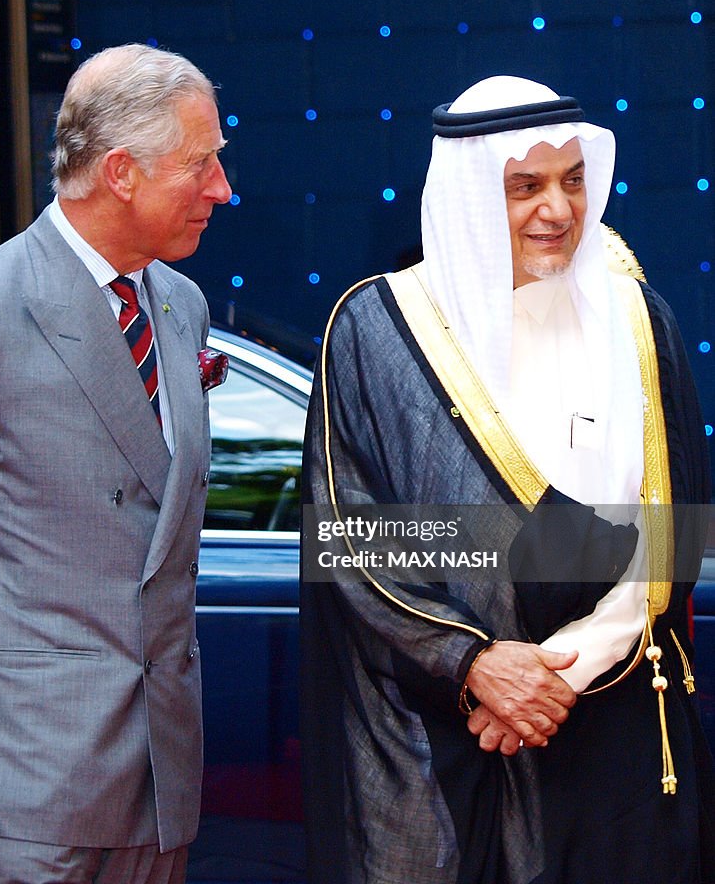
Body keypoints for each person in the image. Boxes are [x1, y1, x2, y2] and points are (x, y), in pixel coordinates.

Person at [301, 76, 715, 884]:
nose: (557, 210)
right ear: (466, 199)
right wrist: (476, 664)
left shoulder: (633, 315)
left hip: (612, 715)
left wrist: (565, 665)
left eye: (571, 180)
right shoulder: (377, 330)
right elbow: (354, 536)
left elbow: (671, 522)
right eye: (525, 186)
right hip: (447, 724)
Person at [0, 43, 232, 883]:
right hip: (10, 787)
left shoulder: (181, 305)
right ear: (121, 171)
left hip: (156, 785)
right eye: (201, 164)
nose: (221, 190)